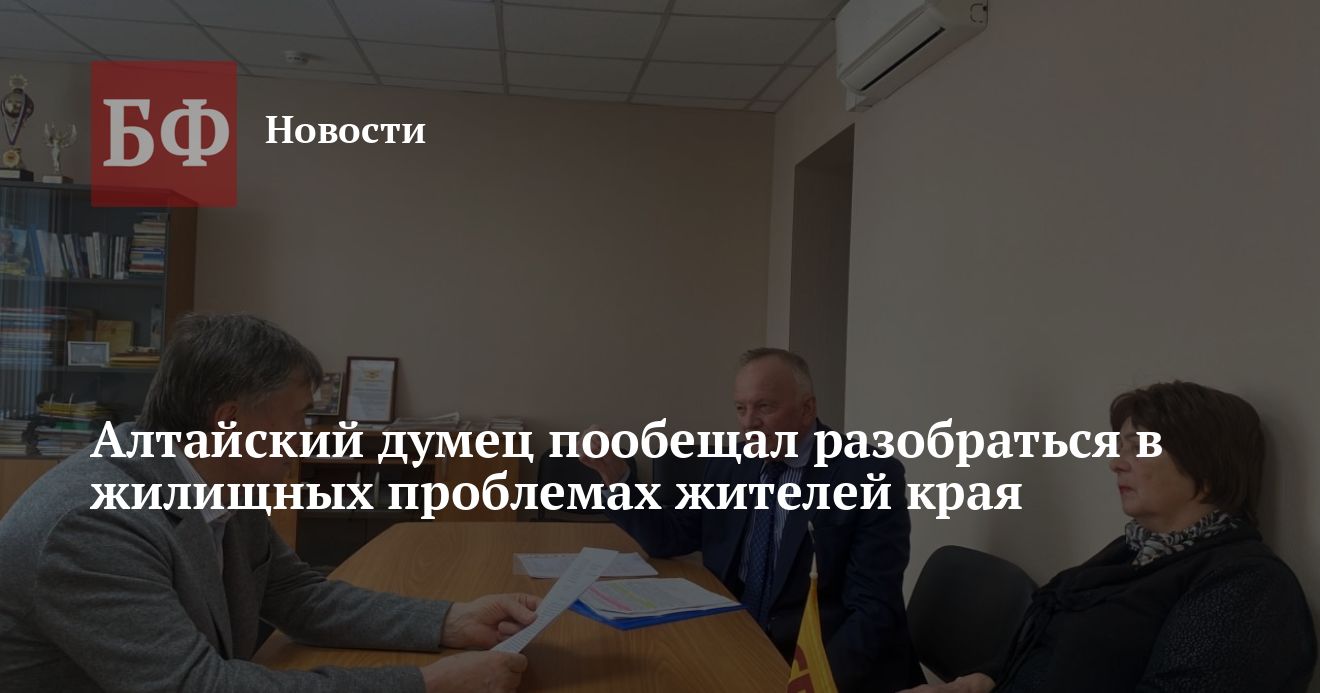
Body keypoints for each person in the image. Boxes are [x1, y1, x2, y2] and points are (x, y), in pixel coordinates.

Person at [0, 313, 535, 693]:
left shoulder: (220, 477)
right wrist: (425, 684)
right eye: (299, 416)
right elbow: (195, 686)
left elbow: (298, 596)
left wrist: (451, 621)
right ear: (230, 419)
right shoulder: (91, 524)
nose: (306, 436)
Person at [902, 381, 1317, 693]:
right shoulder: (1135, 551)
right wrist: (981, 680)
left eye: (1138, 448)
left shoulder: (1246, 587)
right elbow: (1046, 642)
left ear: (1207, 469)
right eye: (1120, 447)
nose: (1115, 463)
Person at [580, 348, 924, 693]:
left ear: (807, 409)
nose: (748, 423)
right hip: (736, 637)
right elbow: (671, 537)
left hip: (818, 661)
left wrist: (813, 684)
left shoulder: (868, 474)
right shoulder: (729, 463)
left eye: (764, 407)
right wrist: (617, 477)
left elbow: (873, 609)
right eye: (740, 408)